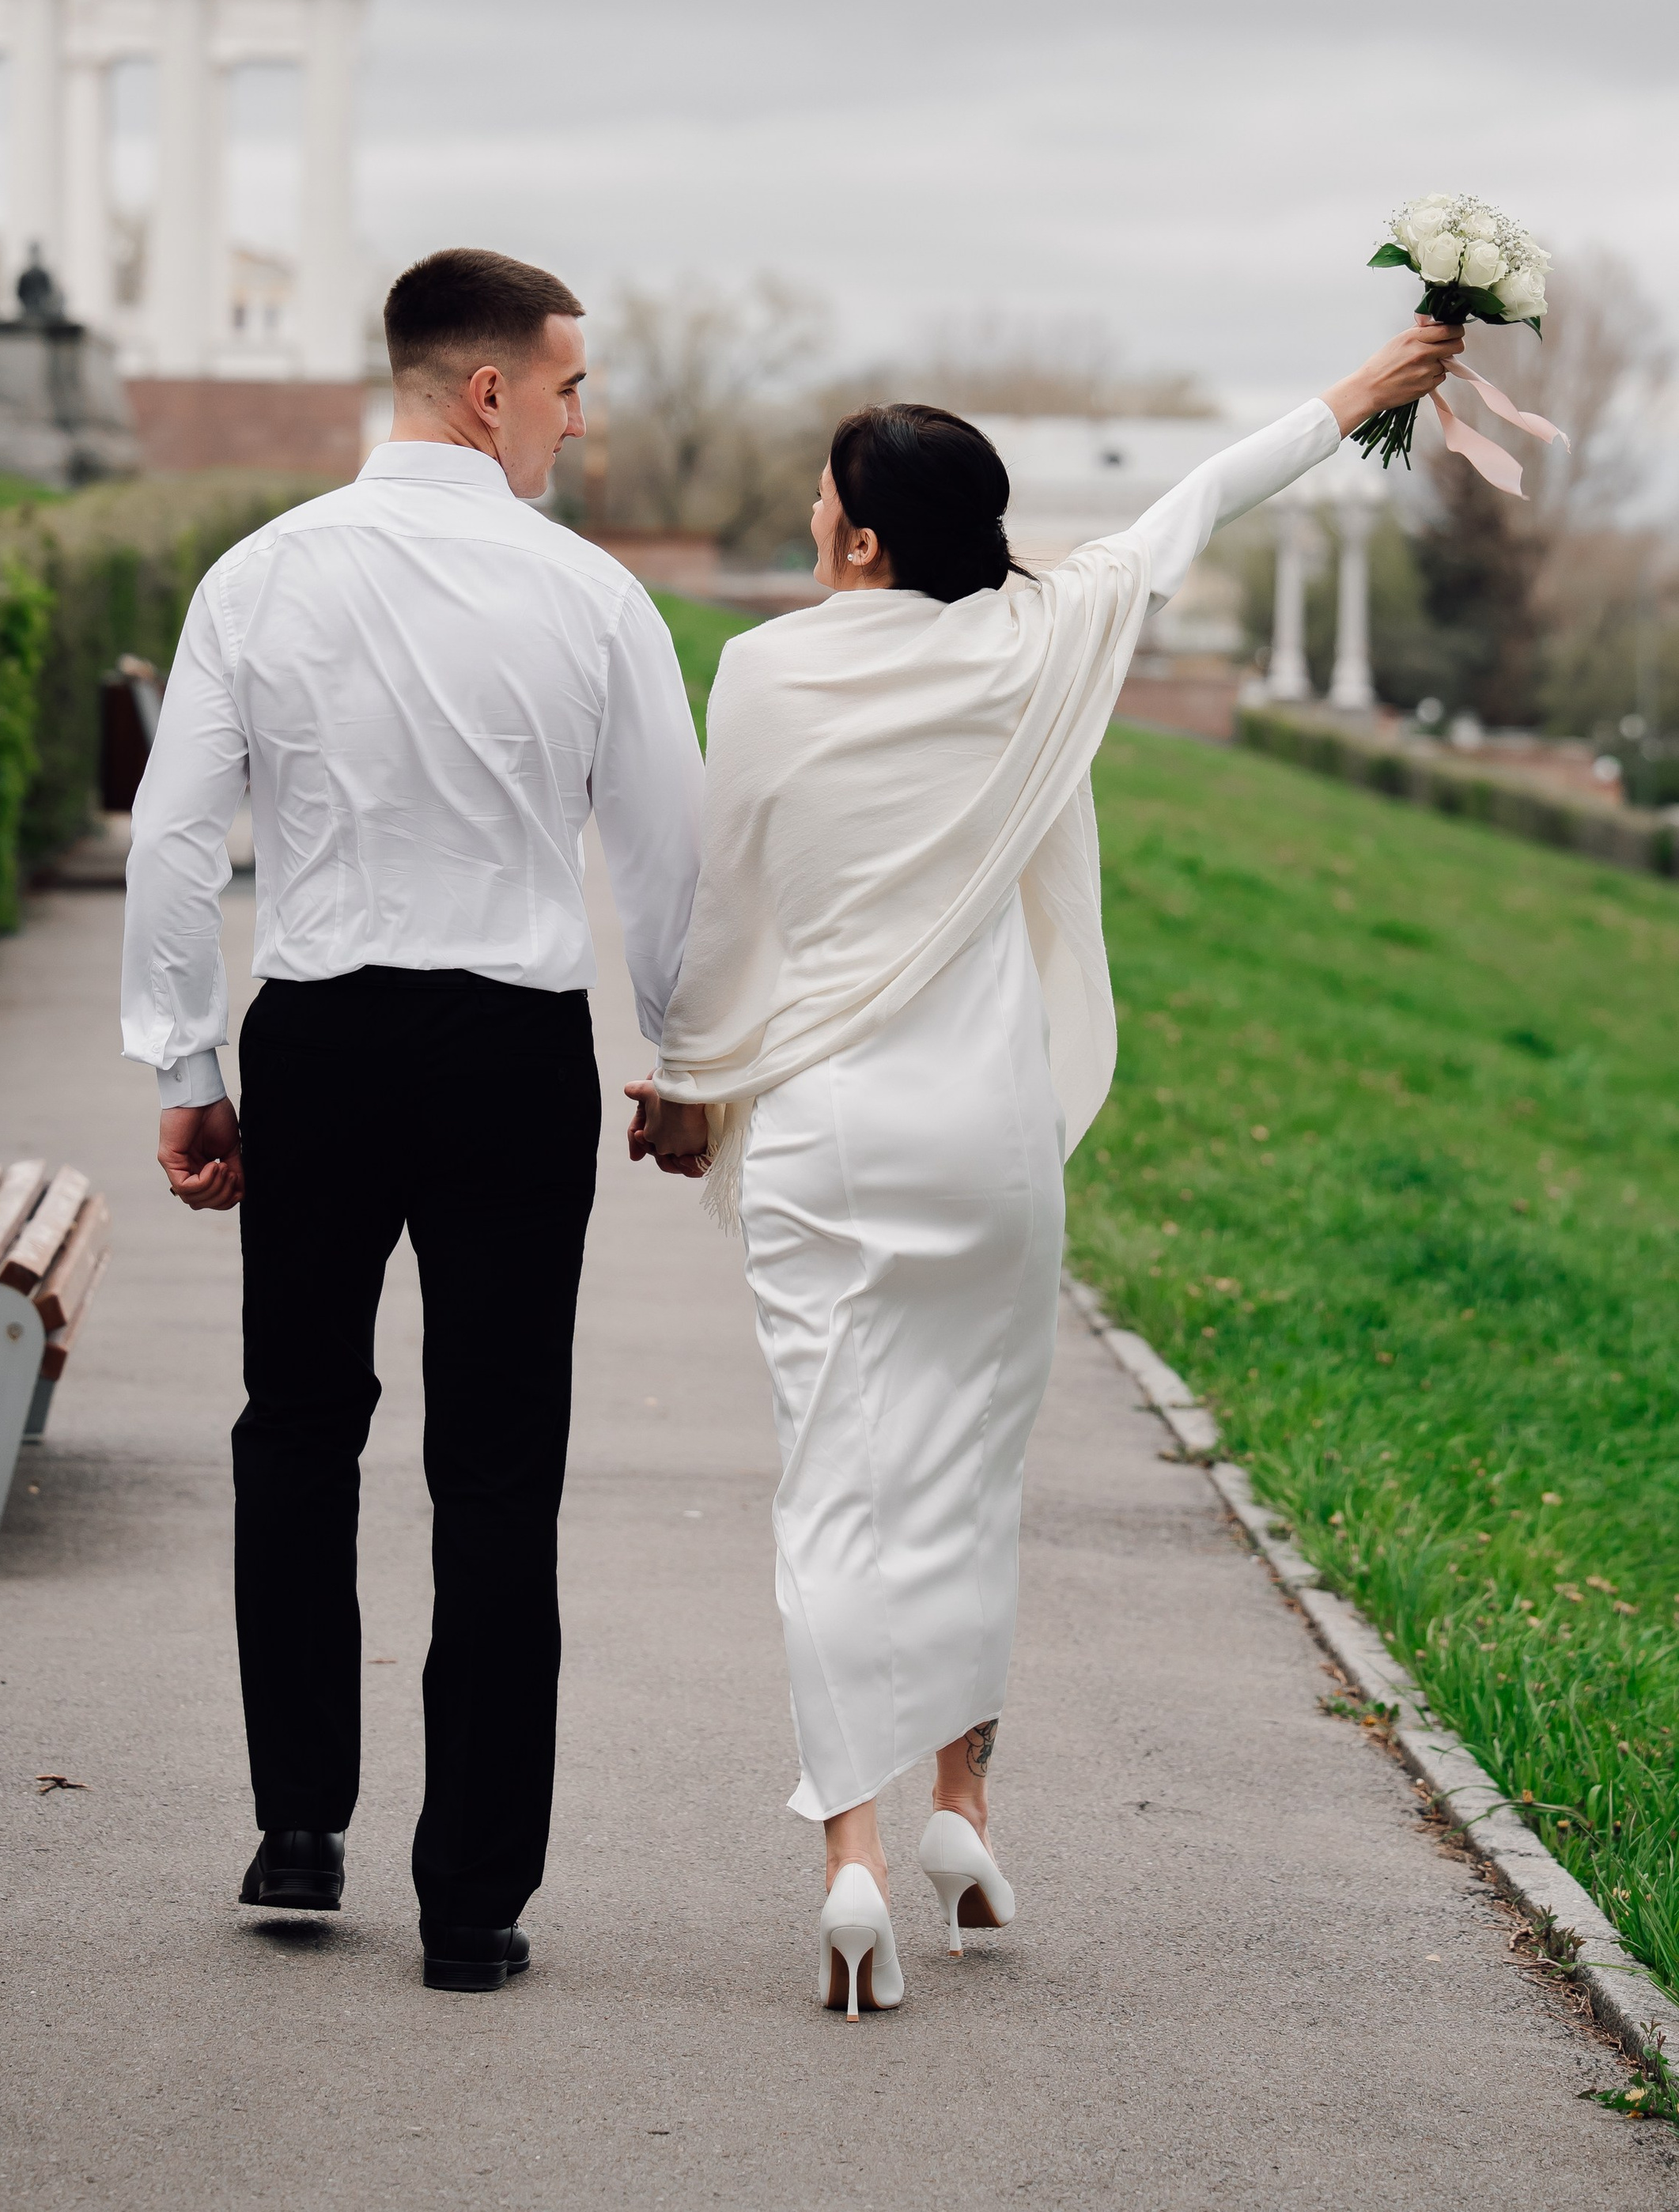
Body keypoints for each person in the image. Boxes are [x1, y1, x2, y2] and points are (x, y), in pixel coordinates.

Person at [626, 317, 1463, 2018]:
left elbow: (725, 918)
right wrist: (1363, 390)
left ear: (859, 539)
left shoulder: (771, 674)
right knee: (959, 1476)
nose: (804, 524)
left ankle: (849, 1851)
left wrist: (683, 1082)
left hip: (823, 1134)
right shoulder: (1043, 640)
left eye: (816, 507)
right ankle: (964, 1809)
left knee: (832, 1487)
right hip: (986, 1138)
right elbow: (1193, 501)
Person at [121, 248, 704, 1992]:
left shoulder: (262, 573)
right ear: (488, 391)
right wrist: (672, 1054)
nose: (578, 416)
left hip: (318, 1035)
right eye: (570, 385)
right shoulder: (591, 598)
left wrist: (187, 1068)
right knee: (497, 1467)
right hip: (511, 1049)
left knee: (295, 1427)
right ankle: (472, 1905)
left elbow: (173, 839)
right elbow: (665, 860)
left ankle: (299, 1826)